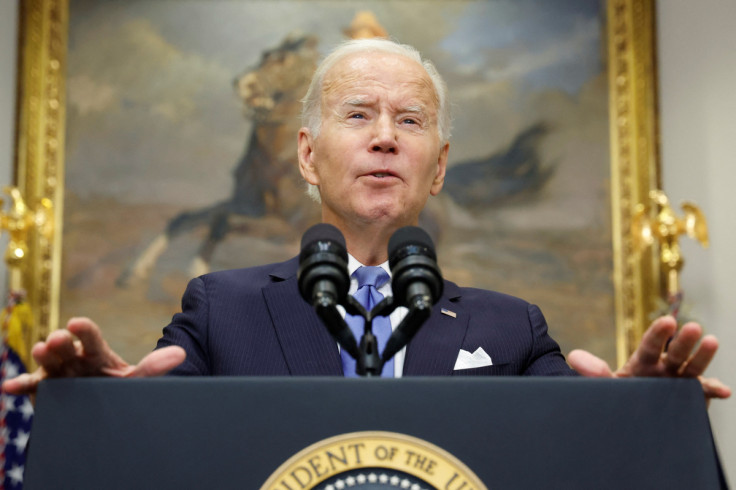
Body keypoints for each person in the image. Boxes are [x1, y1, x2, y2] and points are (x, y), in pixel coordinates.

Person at [2, 39, 730, 400]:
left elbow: (572, 443)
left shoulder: (514, 331)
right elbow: (162, 425)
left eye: (410, 120)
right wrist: (105, 402)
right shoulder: (220, 309)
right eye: (359, 115)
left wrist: (636, 406)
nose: (386, 136)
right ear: (309, 156)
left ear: (438, 166)